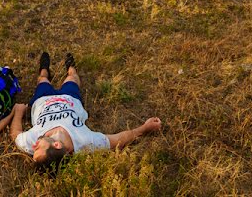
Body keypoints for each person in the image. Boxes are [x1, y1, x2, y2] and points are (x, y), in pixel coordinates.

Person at [10, 52, 161, 168]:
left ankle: (44, 69)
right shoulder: (85, 142)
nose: (34, 146)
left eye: (34, 149)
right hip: (70, 98)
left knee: (42, 80)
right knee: (72, 78)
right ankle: (71, 67)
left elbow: (16, 135)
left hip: (42, 100)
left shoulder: (31, 140)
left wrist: (18, 113)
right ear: (56, 145)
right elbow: (117, 140)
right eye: (38, 148)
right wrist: (144, 128)